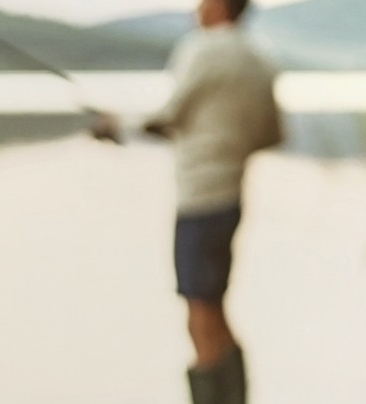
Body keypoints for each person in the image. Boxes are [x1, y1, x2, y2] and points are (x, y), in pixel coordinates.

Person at [128, 0, 281, 402]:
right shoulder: (259, 59)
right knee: (214, 306)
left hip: (199, 200)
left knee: (199, 315)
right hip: (231, 197)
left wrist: (116, 125)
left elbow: (167, 115)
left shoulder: (202, 48)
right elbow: (271, 134)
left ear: (219, 6)